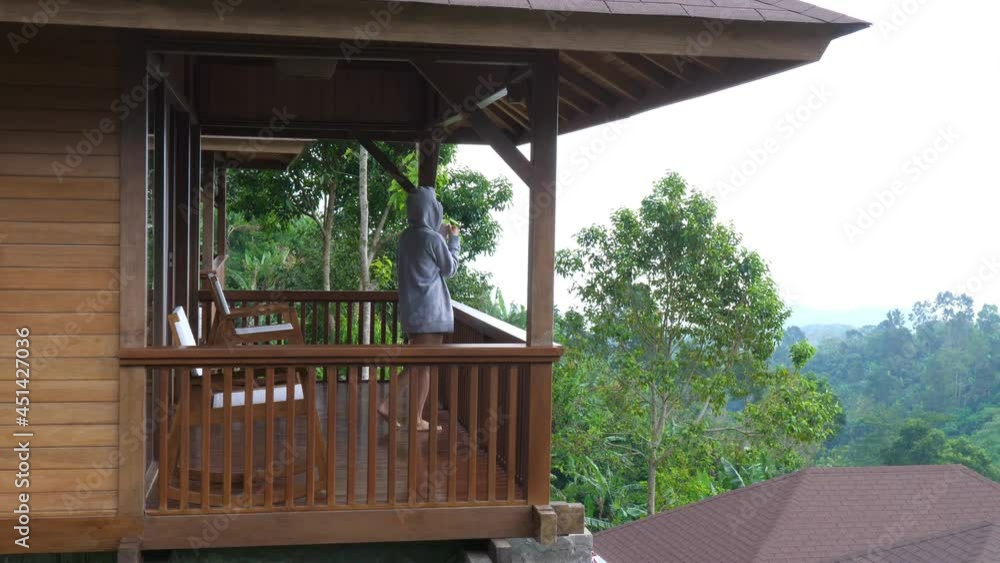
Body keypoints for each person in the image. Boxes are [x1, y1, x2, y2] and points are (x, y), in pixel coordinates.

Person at [378, 186, 459, 431]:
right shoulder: (432, 239)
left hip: (414, 312)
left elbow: (424, 259)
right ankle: (388, 403)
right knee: (419, 365)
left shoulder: (407, 237)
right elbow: (450, 268)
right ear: (431, 210)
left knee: (423, 365)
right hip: (432, 313)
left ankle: (416, 418)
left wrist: (438, 234)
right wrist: (453, 240)